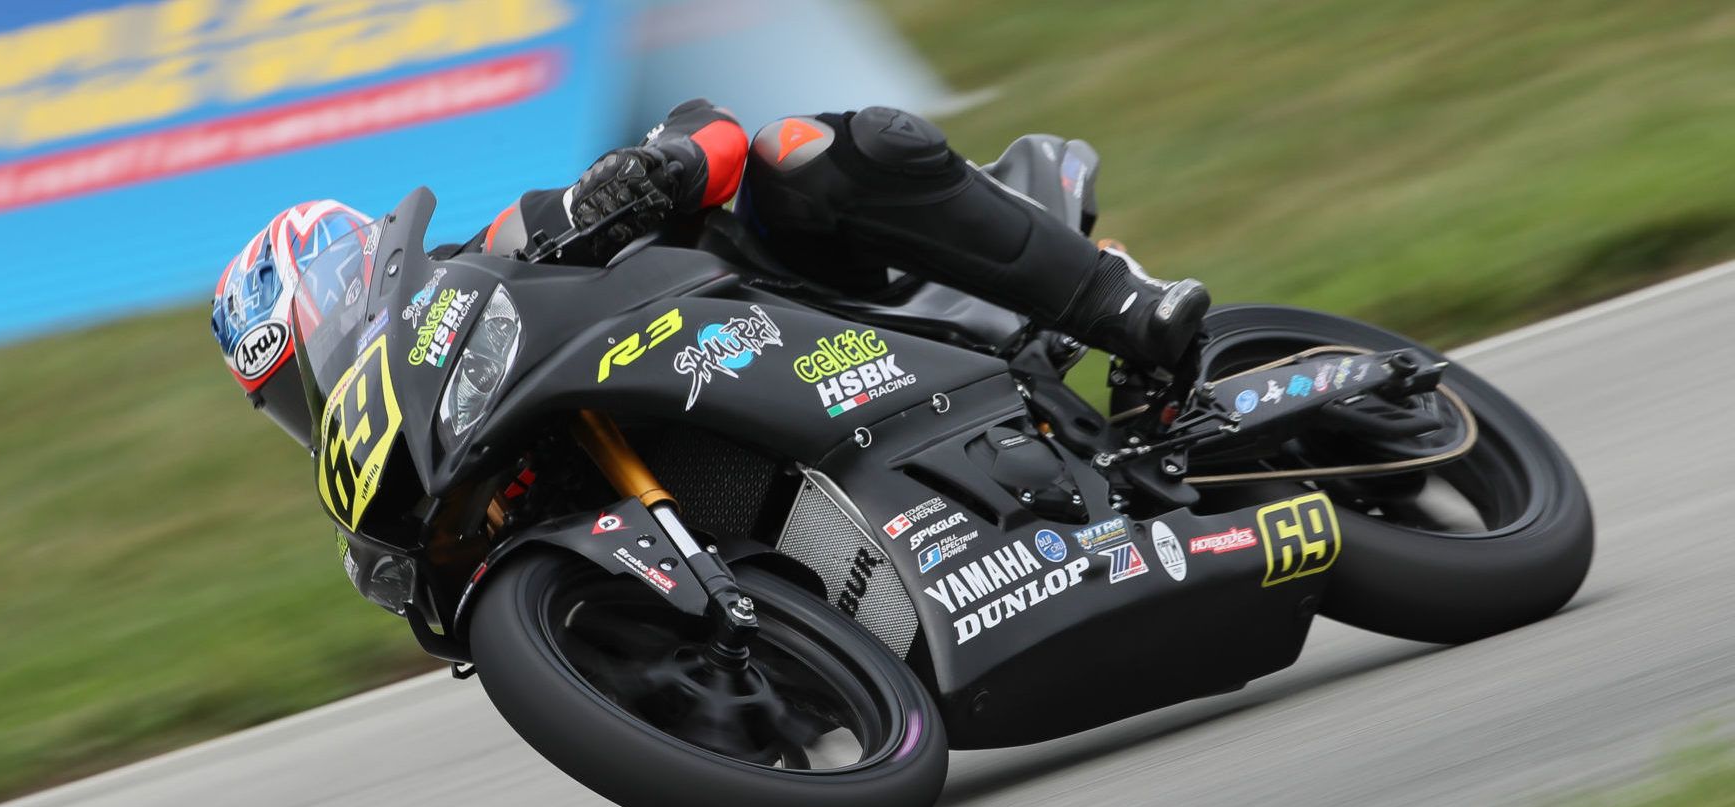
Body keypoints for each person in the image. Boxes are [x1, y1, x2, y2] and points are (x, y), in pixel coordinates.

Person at [210, 100, 1209, 403]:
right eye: (297, 402)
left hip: (808, 308)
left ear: (353, 286)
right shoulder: (413, 457)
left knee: (801, 149)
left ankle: (1122, 303)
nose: (328, 398)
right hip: (736, 408)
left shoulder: (495, 251)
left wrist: (661, 168)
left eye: (318, 364)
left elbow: (707, 128)